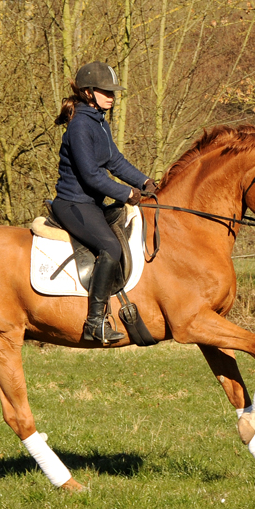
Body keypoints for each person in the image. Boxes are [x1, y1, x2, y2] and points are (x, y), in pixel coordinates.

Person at [51, 61, 155, 344]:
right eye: (105, 91)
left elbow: (115, 162)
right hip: (73, 204)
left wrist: (145, 182)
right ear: (87, 93)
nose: (112, 96)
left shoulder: (100, 123)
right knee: (109, 245)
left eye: (113, 91)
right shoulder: (80, 127)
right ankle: (95, 323)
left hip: (90, 205)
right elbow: (92, 175)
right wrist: (126, 193)